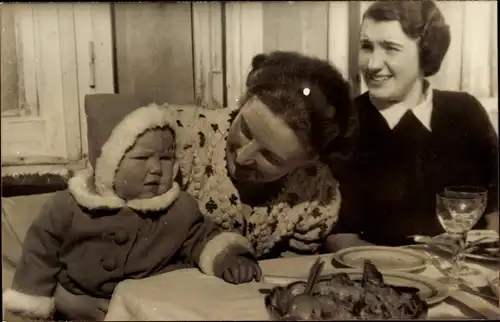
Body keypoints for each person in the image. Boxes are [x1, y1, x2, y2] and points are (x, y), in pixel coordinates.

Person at [2, 98, 262, 321]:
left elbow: (204, 238)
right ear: (108, 163)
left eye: (166, 158)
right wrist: (34, 306)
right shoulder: (67, 208)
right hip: (80, 312)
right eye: (141, 158)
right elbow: (38, 258)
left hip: (149, 311)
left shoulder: (178, 209)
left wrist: (229, 256)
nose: (156, 169)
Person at [326, 0, 499, 251]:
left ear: (426, 51)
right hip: (374, 273)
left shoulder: (465, 111)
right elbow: (335, 237)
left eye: (390, 48)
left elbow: (495, 210)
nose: (372, 64)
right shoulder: (342, 121)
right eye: (366, 46)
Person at [168, 51, 357, 259]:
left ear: (309, 161)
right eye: (245, 130)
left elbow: (290, 277)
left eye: (271, 157)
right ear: (246, 101)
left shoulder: (317, 195)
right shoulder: (176, 140)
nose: (241, 157)